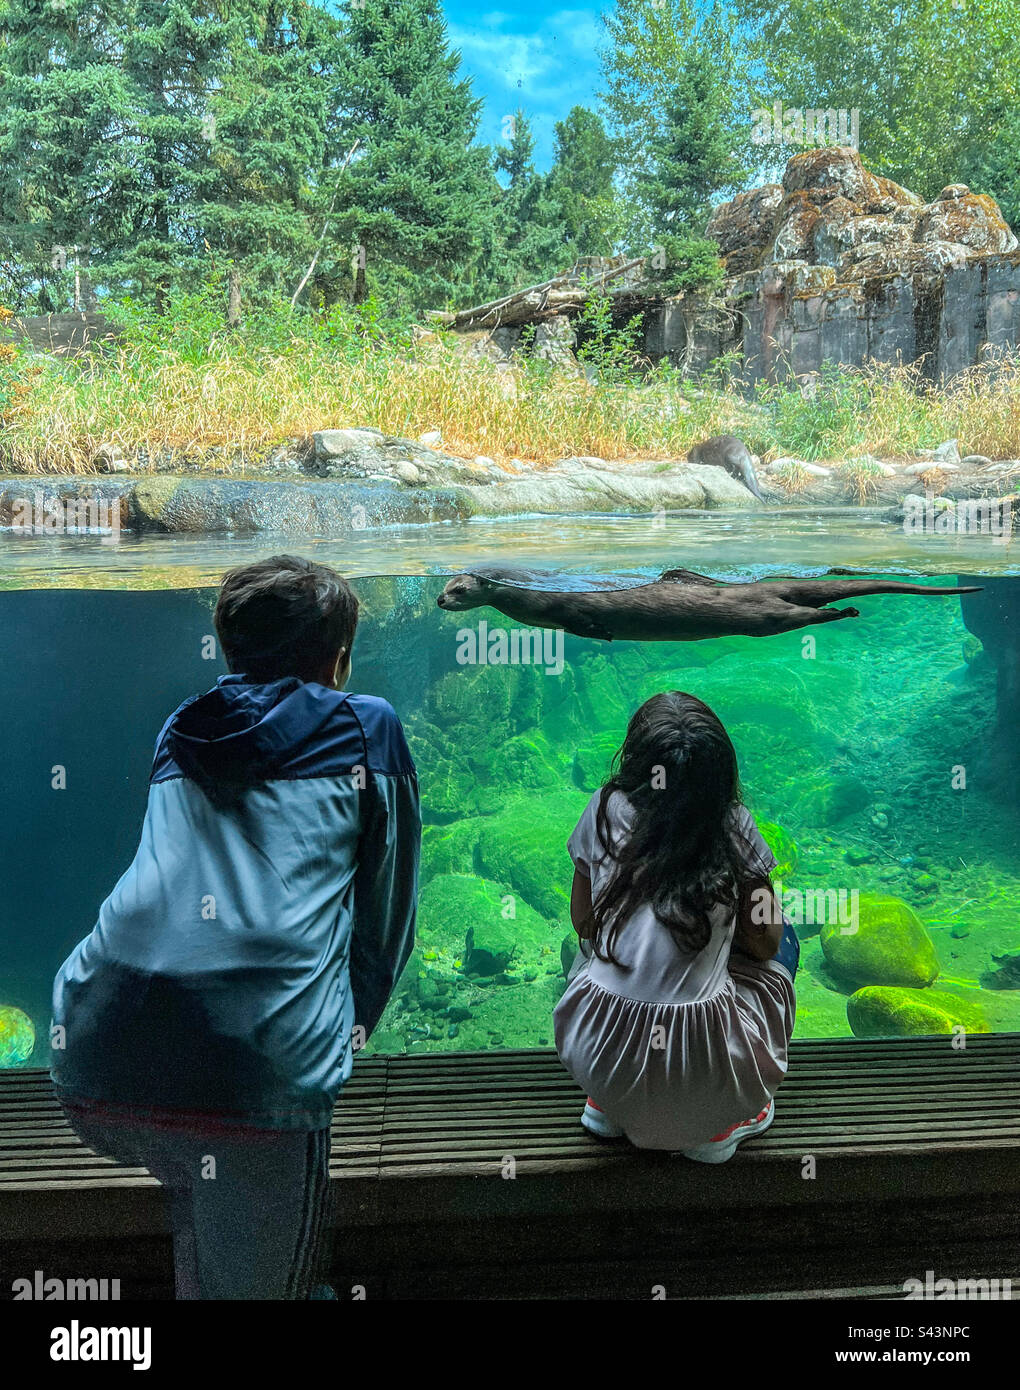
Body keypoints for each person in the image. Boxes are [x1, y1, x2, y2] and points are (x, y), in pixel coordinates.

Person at [50, 555, 420, 1298]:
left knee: (202, 1181)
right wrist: (340, 1039)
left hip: (93, 1057)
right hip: (255, 1081)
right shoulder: (366, 729)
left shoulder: (180, 729)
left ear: (227, 647)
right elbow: (385, 925)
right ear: (338, 658)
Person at [554, 690, 798, 1163]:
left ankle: (607, 1105)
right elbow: (765, 942)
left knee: (591, 949)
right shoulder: (733, 825)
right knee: (786, 938)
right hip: (707, 1074)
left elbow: (583, 921)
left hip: (599, 1056)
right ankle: (720, 1123)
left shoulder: (604, 808)